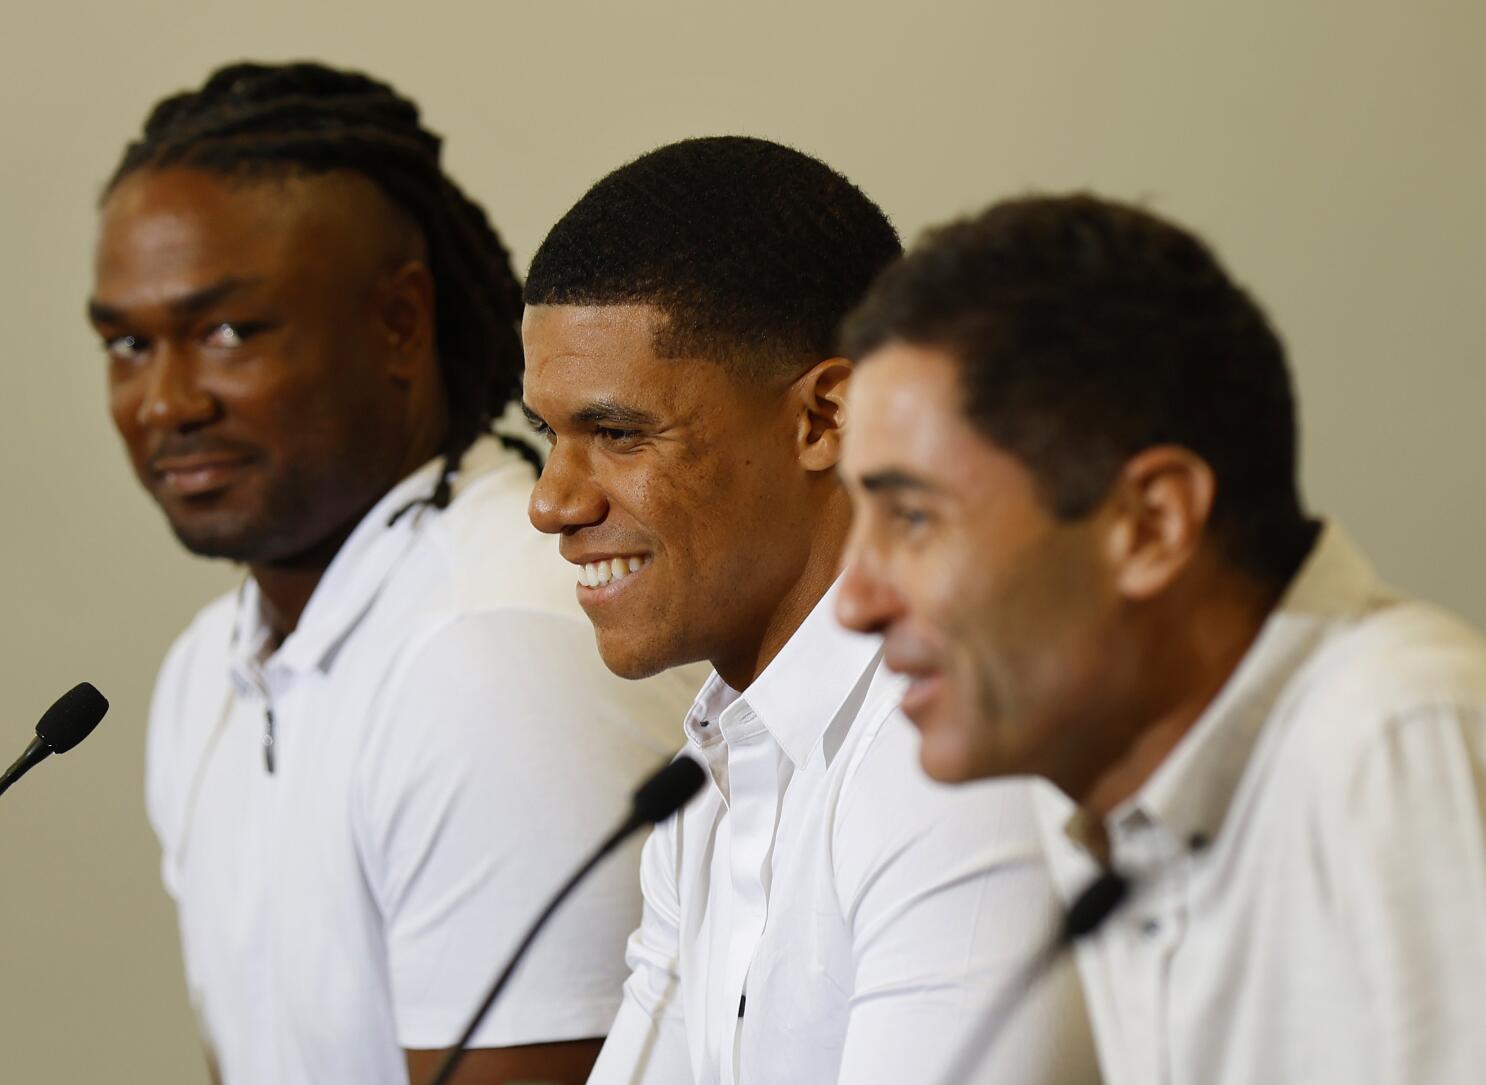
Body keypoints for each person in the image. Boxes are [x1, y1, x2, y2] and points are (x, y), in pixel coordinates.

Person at [89, 61, 696, 1085]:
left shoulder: (495, 649)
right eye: (126, 343)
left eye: (227, 332)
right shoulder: (211, 666)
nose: (165, 401)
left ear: (401, 322)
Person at [834, 192, 1486, 1083]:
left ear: (1149, 524)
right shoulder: (1097, 790)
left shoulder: (1397, 733)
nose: (855, 600)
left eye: (912, 518)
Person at [520, 136, 1097, 1085]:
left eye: (617, 433)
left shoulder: (964, 755)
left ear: (828, 418)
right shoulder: (710, 764)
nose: (551, 501)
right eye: (550, 432)